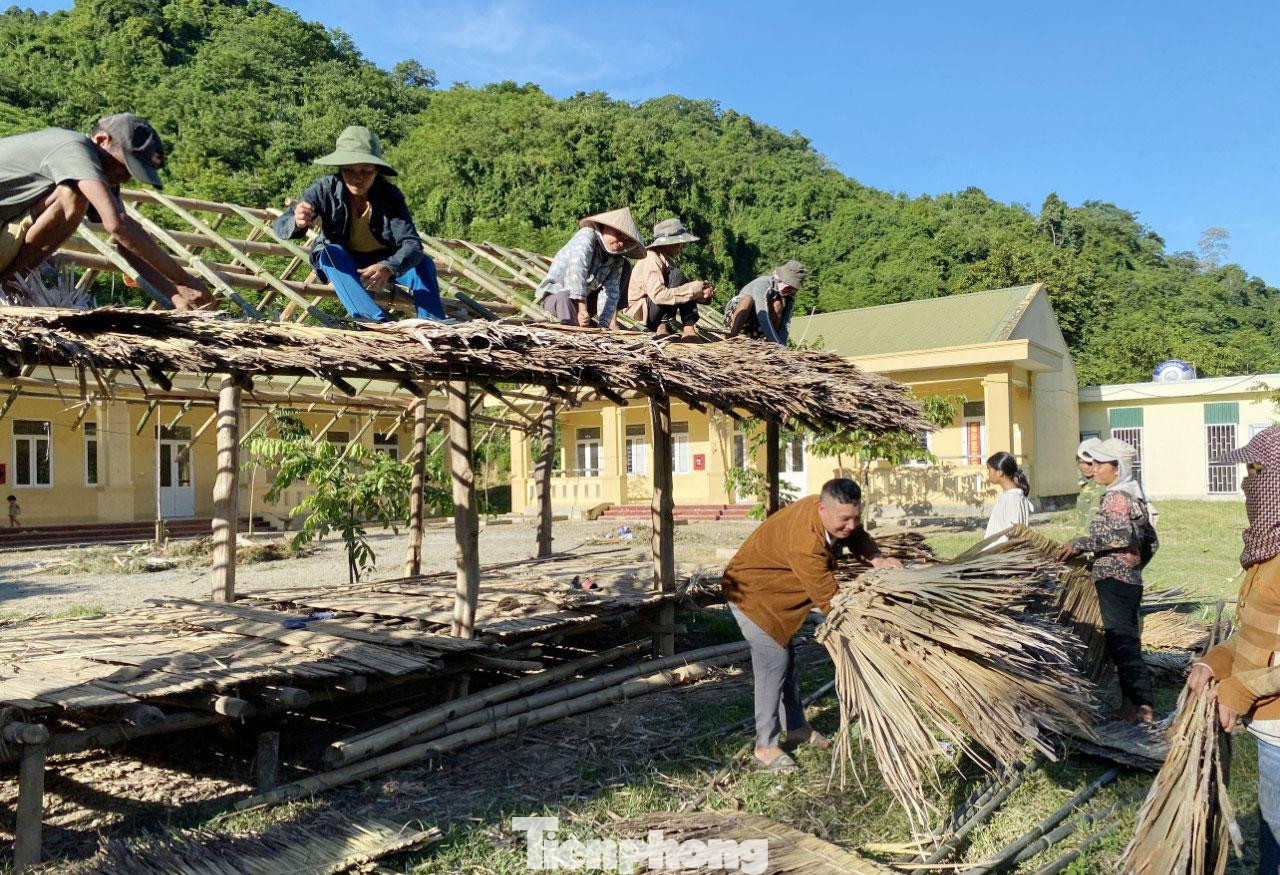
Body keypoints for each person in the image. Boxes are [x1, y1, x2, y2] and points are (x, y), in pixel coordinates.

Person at [722, 478, 903, 771]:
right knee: (774, 661)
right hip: (751, 595)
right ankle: (765, 746)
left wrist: (877, 558)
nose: (851, 525)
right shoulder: (806, 544)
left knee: (786, 659)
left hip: (776, 594)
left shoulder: (833, 517)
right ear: (822, 509)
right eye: (844, 519)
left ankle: (796, 728)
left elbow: (854, 536)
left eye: (856, 517)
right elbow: (831, 601)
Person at [0, 113, 213, 310]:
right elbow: (119, 225)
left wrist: (174, 294)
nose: (124, 179)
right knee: (72, 196)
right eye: (124, 168)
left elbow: (127, 246)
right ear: (102, 140)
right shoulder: (74, 148)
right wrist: (184, 279)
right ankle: (8, 285)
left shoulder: (98, 171)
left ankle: (9, 285)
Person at [1189, 425, 1280, 874]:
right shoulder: (1268, 551)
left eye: (1256, 473)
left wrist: (1241, 689)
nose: (1247, 483)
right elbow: (1256, 631)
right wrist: (1215, 662)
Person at [273, 126, 444, 322]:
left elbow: (412, 244)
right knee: (330, 254)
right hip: (345, 261)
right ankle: (374, 320)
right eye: (349, 171)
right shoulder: (324, 189)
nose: (358, 178)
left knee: (423, 263)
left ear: (376, 171)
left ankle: (432, 324)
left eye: (366, 171)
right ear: (341, 169)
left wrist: (388, 266)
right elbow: (281, 224)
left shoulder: (390, 196)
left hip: (384, 260)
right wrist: (297, 221)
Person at [1060, 438, 1158, 723]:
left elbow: (1121, 536)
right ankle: (1133, 706)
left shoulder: (1117, 497)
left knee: (1123, 642)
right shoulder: (1133, 494)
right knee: (1124, 641)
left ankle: (1142, 708)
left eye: (1101, 464)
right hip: (1126, 579)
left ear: (1118, 468)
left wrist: (1083, 543)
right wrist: (1135, 565)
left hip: (1116, 580)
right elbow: (1150, 540)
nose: (1096, 468)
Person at [536, 207, 645, 329]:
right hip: (557, 298)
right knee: (564, 298)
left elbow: (611, 291)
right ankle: (575, 330)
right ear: (605, 227)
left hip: (586, 302)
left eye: (624, 240)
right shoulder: (587, 235)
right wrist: (582, 309)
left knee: (626, 266)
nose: (620, 243)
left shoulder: (616, 259)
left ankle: (596, 327)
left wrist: (606, 323)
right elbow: (577, 270)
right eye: (618, 235)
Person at [623, 217, 714, 339]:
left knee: (682, 282)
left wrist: (700, 295)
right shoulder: (651, 258)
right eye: (678, 244)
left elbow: (679, 294)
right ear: (666, 244)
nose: (680, 247)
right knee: (678, 276)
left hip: (655, 308)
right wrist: (691, 289)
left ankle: (688, 327)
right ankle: (664, 326)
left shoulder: (667, 262)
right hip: (641, 314)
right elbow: (659, 296)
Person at [723, 260, 805, 345]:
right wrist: (775, 341)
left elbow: (784, 326)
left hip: (755, 327)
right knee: (748, 299)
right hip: (738, 318)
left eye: (793, 289)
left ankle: (768, 344)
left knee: (778, 304)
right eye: (789, 288)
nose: (790, 291)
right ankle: (731, 339)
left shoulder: (789, 298)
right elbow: (762, 315)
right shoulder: (763, 284)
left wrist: (782, 346)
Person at [983, 451, 1033, 543]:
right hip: (994, 554)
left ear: (1000, 472)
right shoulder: (1008, 496)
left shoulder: (1013, 498)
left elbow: (1013, 533)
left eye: (989, 469)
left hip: (1001, 554)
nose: (988, 473)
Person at [1073, 437, 1104, 534]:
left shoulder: (1101, 485)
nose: (1086, 467)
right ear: (1077, 463)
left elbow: (1093, 521)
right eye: (1082, 462)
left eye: (1090, 463)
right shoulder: (1087, 485)